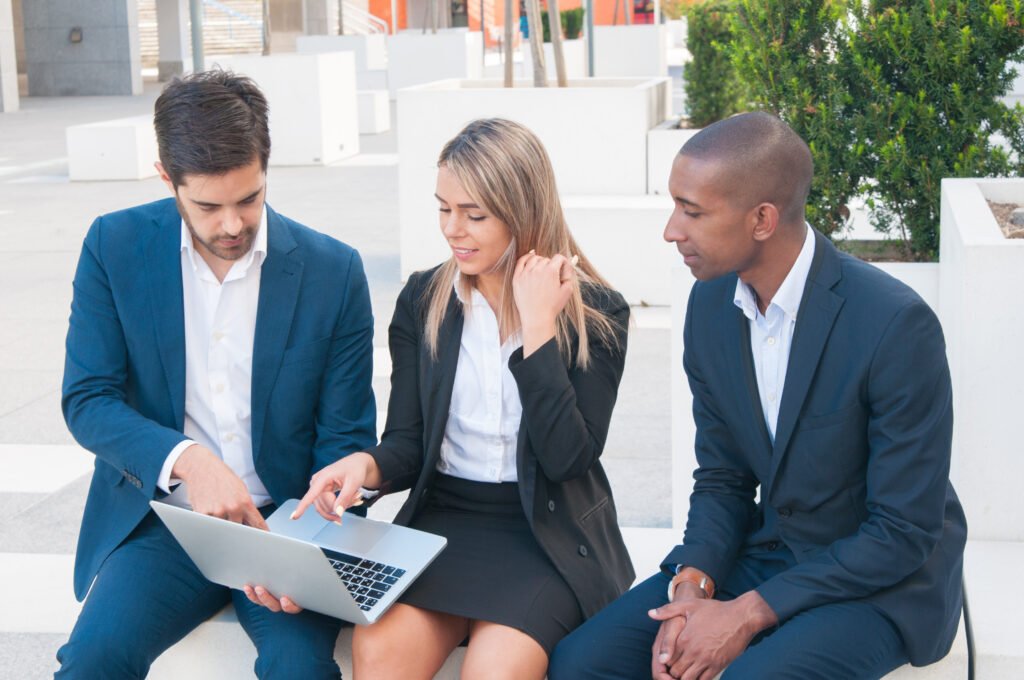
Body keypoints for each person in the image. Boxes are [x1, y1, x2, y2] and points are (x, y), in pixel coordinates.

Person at [549, 111, 967, 680]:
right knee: (582, 664)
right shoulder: (711, 306)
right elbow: (723, 477)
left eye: (692, 211)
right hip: (768, 553)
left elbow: (902, 532)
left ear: (763, 219)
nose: (672, 230)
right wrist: (693, 586)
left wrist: (745, 615)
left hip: (881, 582)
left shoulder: (895, 325)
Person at [281, 118, 634, 680]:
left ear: (523, 211)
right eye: (443, 208)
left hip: (544, 533)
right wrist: (363, 466)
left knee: (495, 672)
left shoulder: (597, 313)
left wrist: (539, 329)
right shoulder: (424, 299)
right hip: (445, 523)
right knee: (378, 653)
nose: (453, 229)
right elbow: (408, 441)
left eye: (474, 214)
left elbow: (568, 458)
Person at [56, 70, 376, 679]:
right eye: (207, 205)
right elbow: (88, 399)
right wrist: (189, 461)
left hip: (289, 531)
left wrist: (319, 541)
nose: (231, 225)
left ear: (266, 169)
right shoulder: (114, 245)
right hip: (166, 525)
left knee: (301, 671)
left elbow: (346, 437)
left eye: (249, 199)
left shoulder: (334, 272)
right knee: (92, 662)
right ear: (165, 178)